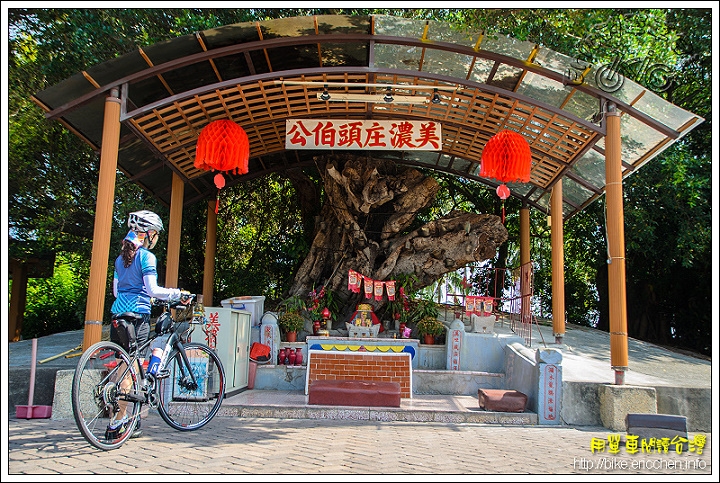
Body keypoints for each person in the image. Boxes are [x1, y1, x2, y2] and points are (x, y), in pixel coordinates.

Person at [108, 210, 188, 440]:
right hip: (137, 316)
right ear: (148, 233)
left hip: (118, 315)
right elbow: (152, 290)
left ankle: (126, 420)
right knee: (131, 367)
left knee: (124, 364)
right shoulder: (145, 257)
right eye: (156, 234)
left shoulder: (120, 259)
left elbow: (116, 291)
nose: (156, 238)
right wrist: (177, 293)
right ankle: (120, 421)